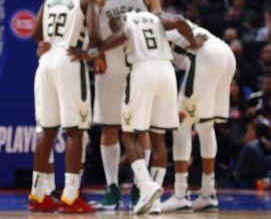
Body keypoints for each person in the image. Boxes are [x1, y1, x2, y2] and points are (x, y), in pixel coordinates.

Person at [70, 11, 202, 214]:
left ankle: (145, 185)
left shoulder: (123, 20)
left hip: (143, 70)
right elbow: (179, 21)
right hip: (167, 73)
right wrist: (192, 42)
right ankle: (154, 201)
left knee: (129, 133)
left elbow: (122, 34)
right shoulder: (155, 16)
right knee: (157, 136)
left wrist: (92, 53)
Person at [28, 0, 103, 213]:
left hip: (47, 61)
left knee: (47, 132)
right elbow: (94, 32)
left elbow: (36, 32)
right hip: (70, 61)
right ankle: (71, 195)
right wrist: (91, 53)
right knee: (76, 130)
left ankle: (38, 193)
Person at [92, 0, 162, 210]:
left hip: (139, 65)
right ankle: (111, 188)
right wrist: (94, 55)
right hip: (109, 65)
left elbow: (159, 23)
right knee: (109, 127)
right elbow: (90, 27)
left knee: (139, 128)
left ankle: (139, 186)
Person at [161, 21, 236, 211]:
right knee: (205, 126)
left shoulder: (152, 26)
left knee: (180, 124)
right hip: (225, 53)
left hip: (205, 56)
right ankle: (208, 193)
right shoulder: (163, 21)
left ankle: (180, 194)